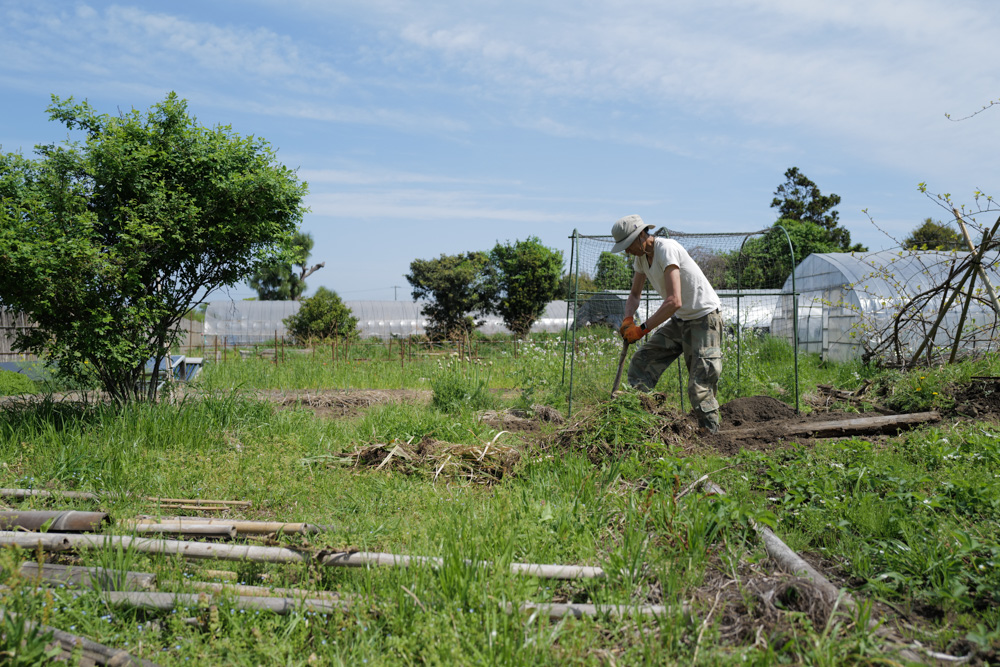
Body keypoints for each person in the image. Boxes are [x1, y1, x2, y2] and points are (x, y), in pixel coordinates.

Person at [610, 214, 724, 433]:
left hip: (704, 318)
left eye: (628, 244)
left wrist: (642, 329)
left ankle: (712, 439)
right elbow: (634, 294)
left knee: (699, 386)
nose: (626, 251)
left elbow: (674, 301)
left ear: (642, 235)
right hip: (681, 320)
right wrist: (627, 319)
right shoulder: (641, 258)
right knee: (642, 362)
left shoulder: (666, 249)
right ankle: (641, 422)